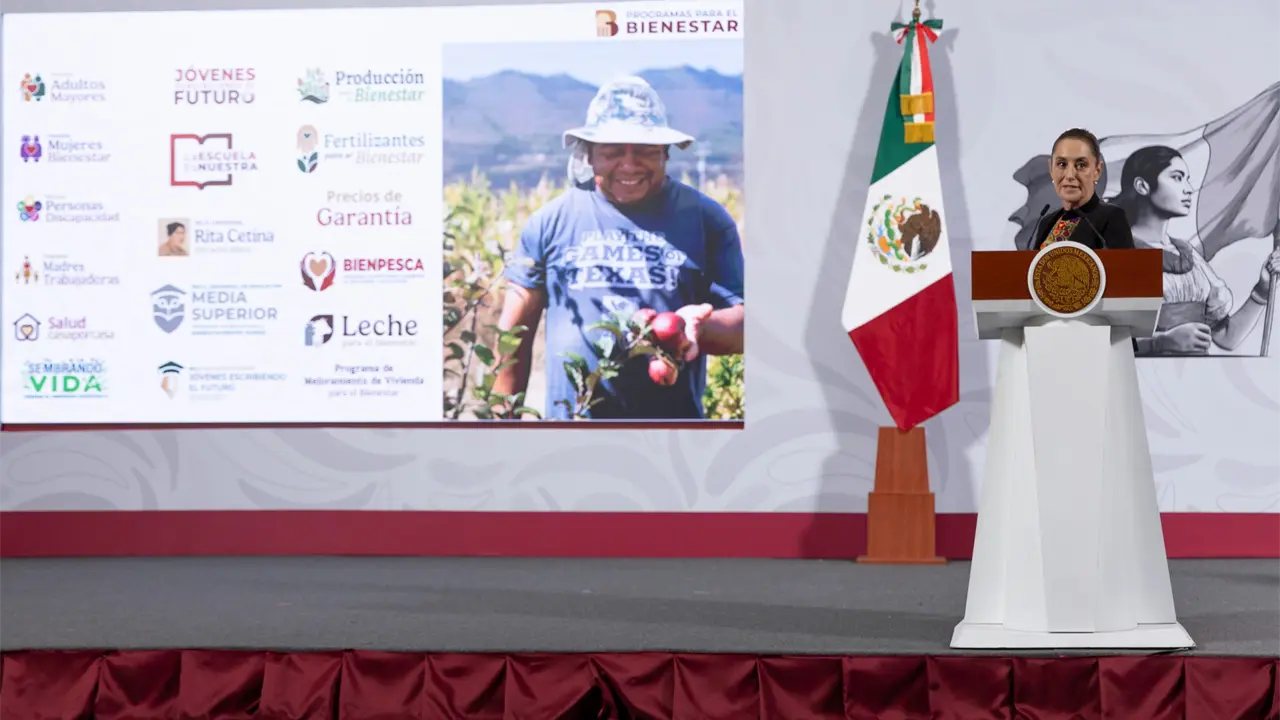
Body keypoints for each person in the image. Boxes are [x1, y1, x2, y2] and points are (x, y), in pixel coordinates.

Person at [494, 75, 745, 420]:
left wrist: (697, 329)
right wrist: (500, 424)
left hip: (673, 441)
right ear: (590, 155)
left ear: (665, 154)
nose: (629, 164)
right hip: (569, 440)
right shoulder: (549, 222)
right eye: (612, 151)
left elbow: (744, 326)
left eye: (644, 150)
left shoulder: (706, 220)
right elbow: (514, 334)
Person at [1109, 145, 1280, 356]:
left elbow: (1226, 338)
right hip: (1145, 382)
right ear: (1142, 186)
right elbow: (1105, 344)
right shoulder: (1122, 251)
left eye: (1187, 178)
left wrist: (1262, 290)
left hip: (1195, 381)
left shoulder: (1187, 253)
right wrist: (1160, 343)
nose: (1188, 188)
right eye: (1177, 177)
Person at [1031, 128, 1134, 251]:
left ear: (1097, 171)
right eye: (1062, 164)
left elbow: (1126, 268)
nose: (1070, 175)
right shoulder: (1047, 223)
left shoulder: (1111, 218)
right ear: (1051, 169)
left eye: (1081, 165)